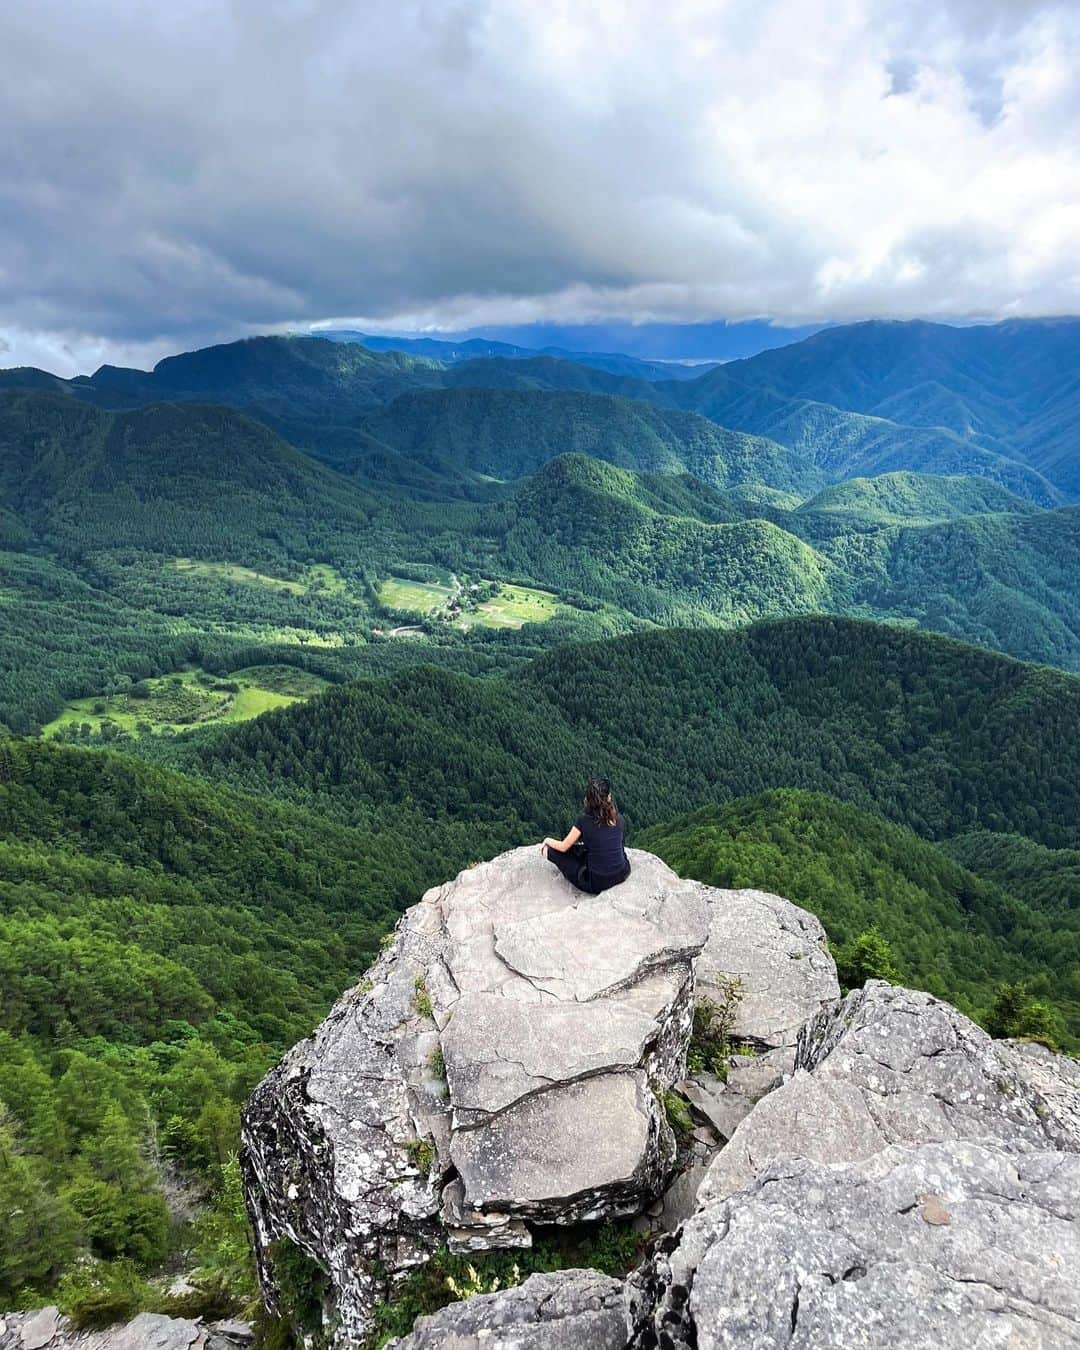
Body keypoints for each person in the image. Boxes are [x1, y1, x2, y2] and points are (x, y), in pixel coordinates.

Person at [541, 776, 631, 894]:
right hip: (621, 873)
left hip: (597, 882)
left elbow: (563, 846)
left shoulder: (584, 821)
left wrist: (547, 840)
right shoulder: (619, 819)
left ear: (588, 800)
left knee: (552, 851)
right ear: (609, 797)